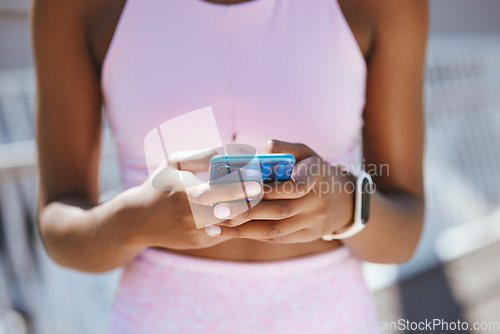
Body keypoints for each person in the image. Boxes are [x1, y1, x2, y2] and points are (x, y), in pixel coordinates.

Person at [32, 0, 428, 332]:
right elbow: (57, 224)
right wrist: (135, 221)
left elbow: (405, 229)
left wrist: (346, 206)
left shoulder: (390, 6)